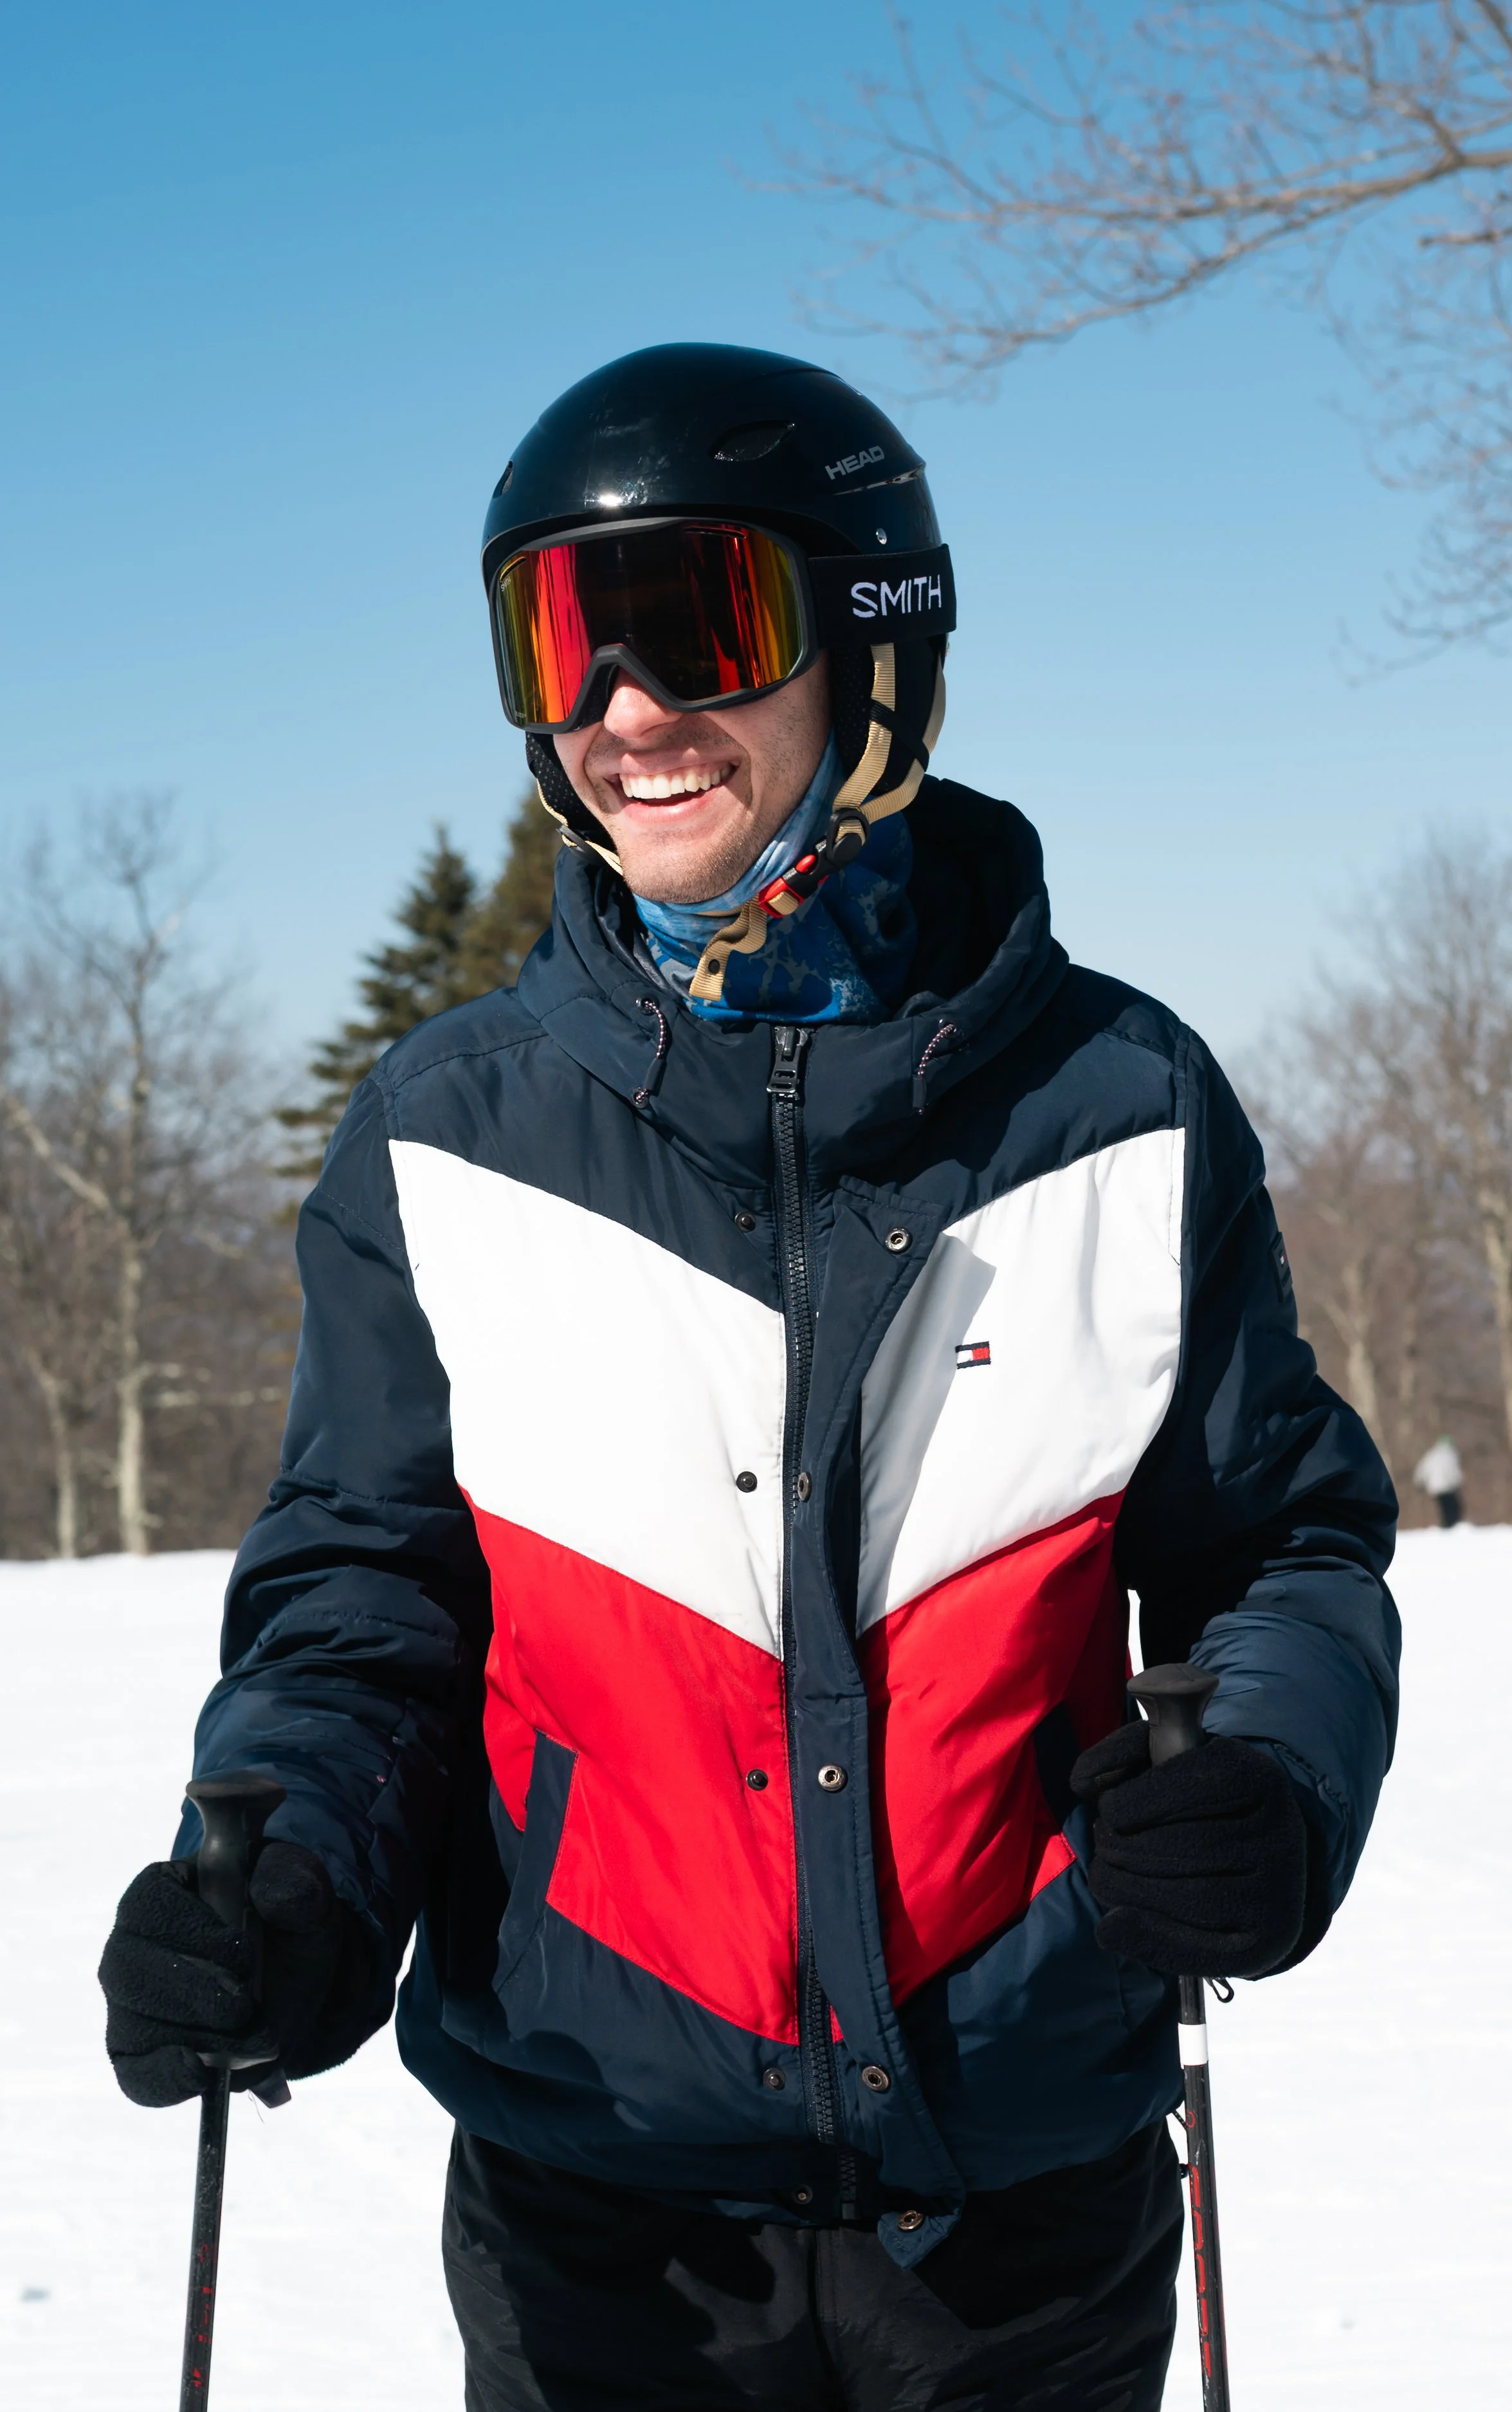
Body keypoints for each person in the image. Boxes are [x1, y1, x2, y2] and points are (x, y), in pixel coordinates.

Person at [98, 345, 1401, 2411]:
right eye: (557, 637)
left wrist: (1267, 1774)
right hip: (602, 2210)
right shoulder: (448, 1136)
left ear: (872, 642)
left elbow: (1279, 1549)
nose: (623, 709)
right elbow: (365, 1600)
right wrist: (297, 1883)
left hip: (1021, 2200)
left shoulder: (1120, 1107)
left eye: (693, 619)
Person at [1412, 1434, 1465, 1529]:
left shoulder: (1431, 1454)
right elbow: (1453, 1471)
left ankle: (1447, 1525)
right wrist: (1459, 1482)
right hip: (1448, 1486)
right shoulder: (1450, 1454)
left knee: (1444, 1507)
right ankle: (1452, 1527)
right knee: (1454, 1507)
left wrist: (1420, 1483)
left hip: (1435, 1487)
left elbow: (1422, 1469)